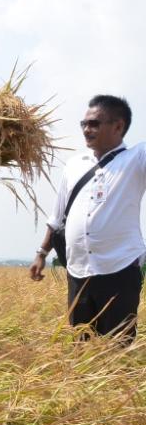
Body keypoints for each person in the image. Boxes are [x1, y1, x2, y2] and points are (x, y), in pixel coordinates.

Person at [30, 95, 145, 345]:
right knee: (80, 346)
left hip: (119, 269)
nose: (86, 129)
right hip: (78, 271)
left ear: (118, 126)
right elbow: (57, 216)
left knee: (117, 347)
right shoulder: (74, 165)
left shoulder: (136, 159)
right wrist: (41, 252)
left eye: (94, 124)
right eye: (83, 123)